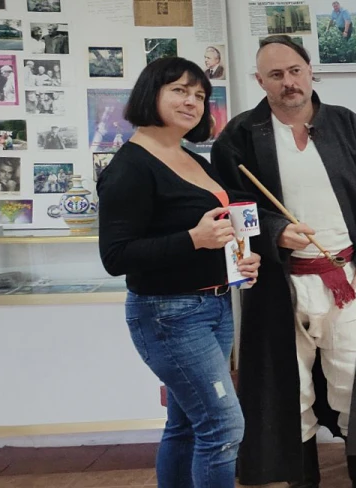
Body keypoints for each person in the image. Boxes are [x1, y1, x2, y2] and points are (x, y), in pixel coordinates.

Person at [210, 35, 356, 487]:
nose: (288, 82)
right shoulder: (239, 136)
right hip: (279, 284)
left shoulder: (346, 125)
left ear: (310, 71)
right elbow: (230, 205)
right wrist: (276, 231)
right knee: (289, 387)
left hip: (346, 277)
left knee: (355, 381)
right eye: (276, 75)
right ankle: (303, 481)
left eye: (295, 71)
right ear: (260, 81)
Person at [96, 56, 258, 487]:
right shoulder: (130, 167)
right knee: (224, 427)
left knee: (186, 425)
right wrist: (193, 239)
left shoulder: (191, 158)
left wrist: (239, 262)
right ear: (151, 93)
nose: (192, 102)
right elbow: (116, 256)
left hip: (214, 307)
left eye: (200, 95)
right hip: (169, 314)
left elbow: (214, 230)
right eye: (180, 90)